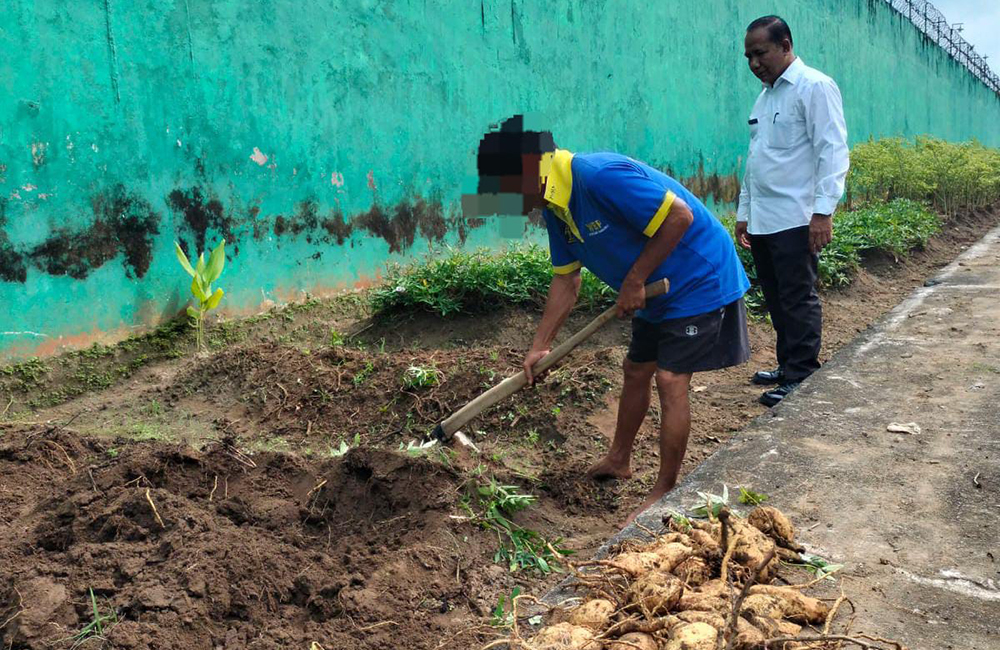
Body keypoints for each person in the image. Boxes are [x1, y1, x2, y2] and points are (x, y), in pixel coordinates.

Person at [470, 116, 751, 523]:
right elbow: (566, 281)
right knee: (636, 369)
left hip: (698, 276)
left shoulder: (598, 176)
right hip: (654, 286)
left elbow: (679, 217)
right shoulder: (553, 205)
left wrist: (634, 279)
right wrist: (539, 346)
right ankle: (619, 459)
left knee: (670, 379)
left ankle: (666, 489)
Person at [735, 16, 849, 407]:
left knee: (798, 298)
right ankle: (787, 366)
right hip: (765, 219)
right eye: (748, 56)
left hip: (798, 217)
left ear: (785, 45)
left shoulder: (814, 87)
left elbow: (832, 151)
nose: (754, 63)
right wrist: (744, 211)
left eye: (760, 53)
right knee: (777, 296)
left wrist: (823, 212)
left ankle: (802, 374)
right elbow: (756, 160)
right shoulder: (764, 98)